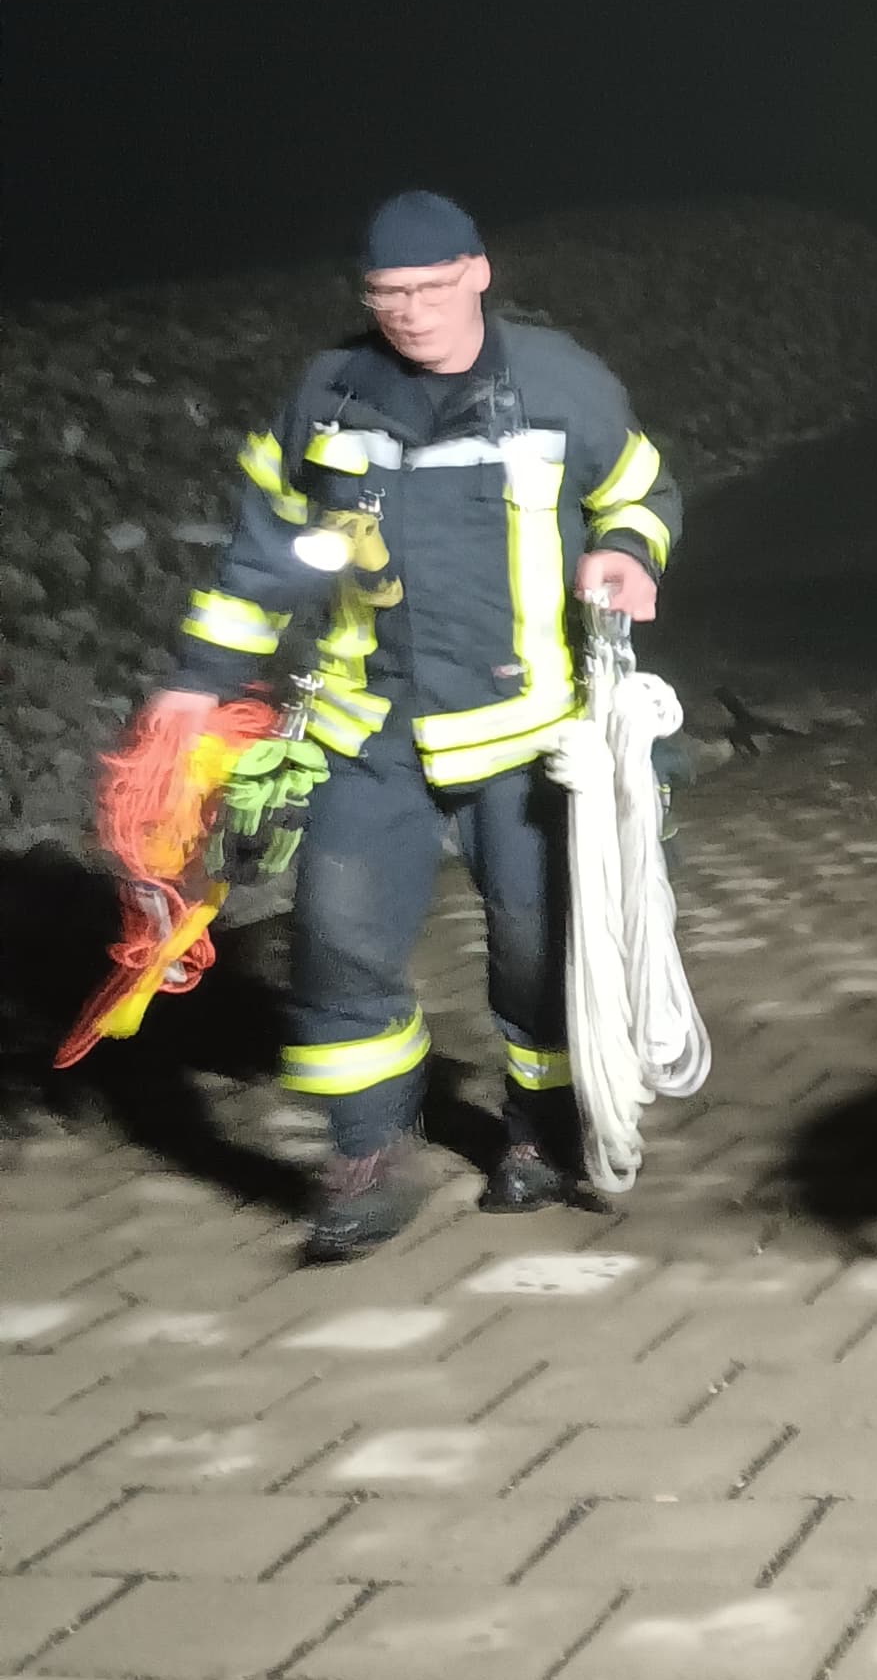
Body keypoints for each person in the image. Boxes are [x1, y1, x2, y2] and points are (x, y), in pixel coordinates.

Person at [110, 190, 679, 1261]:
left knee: (541, 951)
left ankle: (541, 1131)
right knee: (336, 947)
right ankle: (368, 1156)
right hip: (366, 734)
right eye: (385, 293)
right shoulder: (326, 397)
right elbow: (263, 556)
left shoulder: (561, 383)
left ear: (478, 273)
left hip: (527, 737)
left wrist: (628, 550)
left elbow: (640, 490)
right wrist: (199, 683)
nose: (409, 311)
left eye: (429, 287)